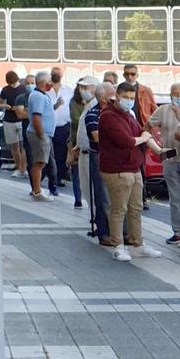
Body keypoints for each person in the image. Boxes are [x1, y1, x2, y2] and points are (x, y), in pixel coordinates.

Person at [96, 82, 161, 260]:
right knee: (119, 209)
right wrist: (143, 138)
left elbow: (143, 135)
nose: (129, 101)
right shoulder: (108, 116)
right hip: (116, 169)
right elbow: (127, 141)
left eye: (132, 98)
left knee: (136, 208)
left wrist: (161, 152)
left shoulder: (128, 115)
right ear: (117, 96)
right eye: (126, 97)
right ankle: (118, 246)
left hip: (133, 168)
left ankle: (138, 244)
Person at [151, 82, 180, 226]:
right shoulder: (162, 110)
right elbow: (148, 127)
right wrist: (156, 147)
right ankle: (179, 233)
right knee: (175, 198)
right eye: (176, 94)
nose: (179, 97)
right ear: (170, 95)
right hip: (170, 158)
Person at [80, 80, 109, 240]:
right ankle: (104, 232)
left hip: (115, 158)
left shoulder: (118, 113)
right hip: (97, 155)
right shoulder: (93, 113)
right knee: (101, 195)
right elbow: (97, 138)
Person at [23, 73, 53, 200]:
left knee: (40, 162)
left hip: (41, 133)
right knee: (39, 162)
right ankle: (37, 190)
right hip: (39, 134)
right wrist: (42, 135)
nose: (52, 83)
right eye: (50, 80)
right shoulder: (38, 96)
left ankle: (37, 189)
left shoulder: (39, 95)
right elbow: (36, 117)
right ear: (44, 83)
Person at [66, 80, 91, 209]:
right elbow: (75, 120)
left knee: (88, 176)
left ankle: (89, 202)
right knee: (76, 171)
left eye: (86, 87)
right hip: (76, 140)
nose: (84, 90)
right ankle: (77, 198)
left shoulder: (92, 103)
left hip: (89, 143)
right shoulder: (74, 102)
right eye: (82, 87)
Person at [0, 70, 24, 173]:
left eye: (14, 83)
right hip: (9, 119)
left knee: (23, 145)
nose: (13, 85)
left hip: (21, 119)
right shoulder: (5, 90)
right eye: (11, 83)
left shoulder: (23, 89)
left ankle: (23, 167)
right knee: (14, 146)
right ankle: (18, 166)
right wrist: (6, 106)